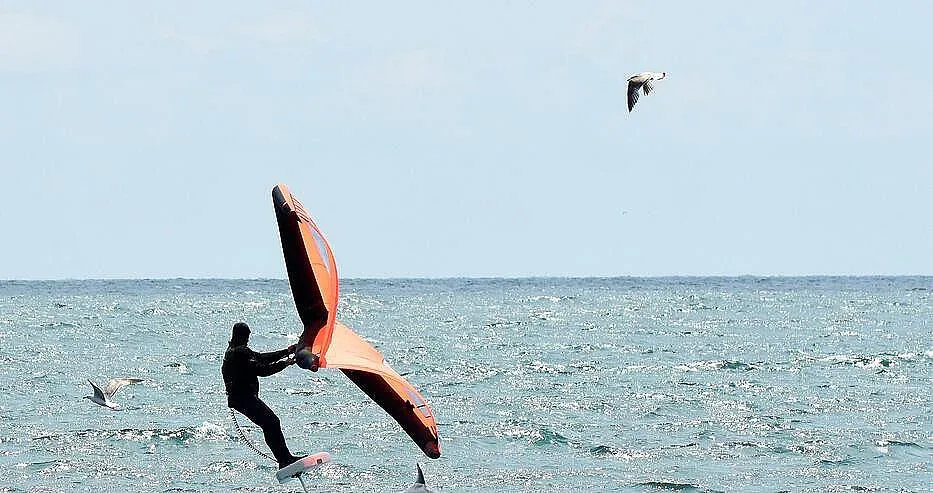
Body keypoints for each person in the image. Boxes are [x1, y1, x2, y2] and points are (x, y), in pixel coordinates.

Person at [222, 322, 303, 468]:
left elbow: (261, 357)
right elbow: (262, 370)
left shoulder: (234, 350)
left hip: (241, 399)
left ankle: (285, 459)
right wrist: (285, 363)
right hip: (244, 399)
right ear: (242, 336)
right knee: (271, 423)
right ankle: (284, 460)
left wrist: (286, 351)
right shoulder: (239, 352)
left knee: (270, 423)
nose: (248, 339)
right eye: (247, 336)